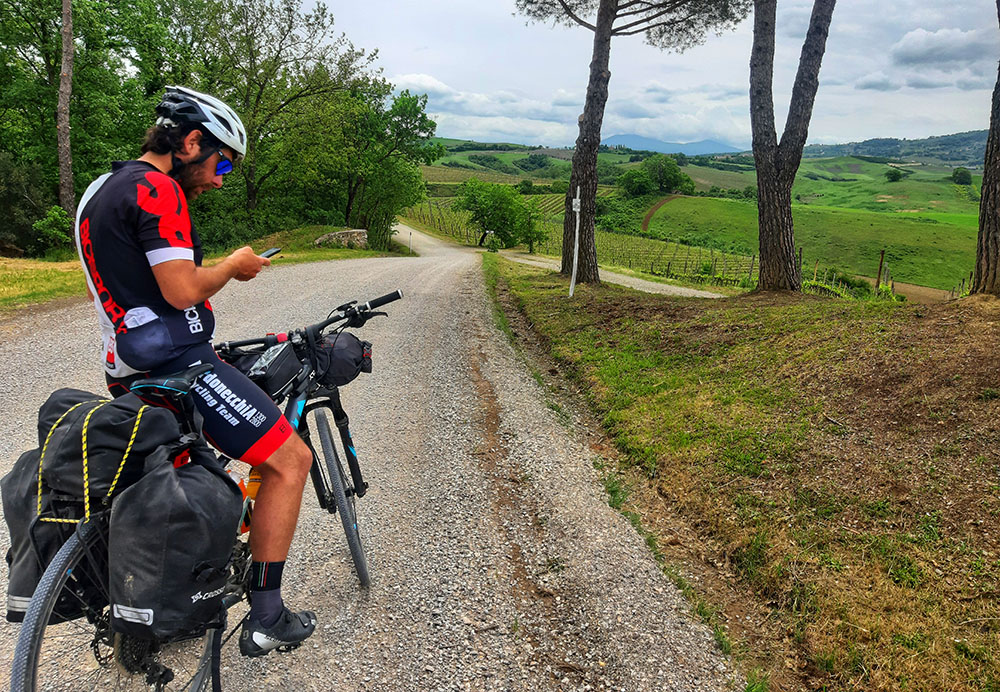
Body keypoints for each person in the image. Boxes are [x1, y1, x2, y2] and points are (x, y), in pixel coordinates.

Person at [73, 86, 316, 657]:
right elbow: (182, 289)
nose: (221, 177)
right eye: (222, 161)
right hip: (179, 366)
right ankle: (266, 617)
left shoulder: (99, 190)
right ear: (190, 142)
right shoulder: (157, 189)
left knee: (181, 484)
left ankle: (167, 601)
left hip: (125, 368)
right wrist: (232, 265)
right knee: (289, 460)